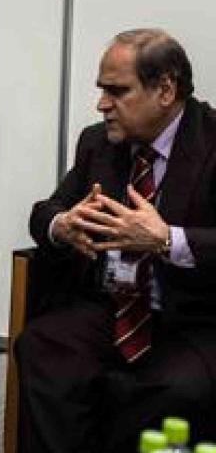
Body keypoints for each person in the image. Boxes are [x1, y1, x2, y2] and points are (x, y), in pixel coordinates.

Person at [17, 28, 216, 452]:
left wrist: (167, 239)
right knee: (42, 346)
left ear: (165, 89)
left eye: (117, 91)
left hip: (193, 319)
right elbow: (44, 212)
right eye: (101, 90)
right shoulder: (98, 143)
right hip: (112, 307)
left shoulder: (212, 142)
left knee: (173, 388)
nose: (102, 104)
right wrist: (63, 225)